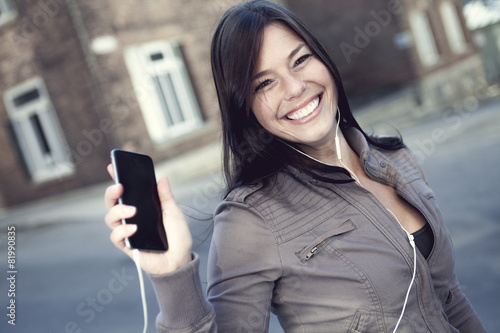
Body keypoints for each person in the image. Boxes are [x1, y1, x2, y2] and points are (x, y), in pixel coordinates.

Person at [104, 1, 487, 332]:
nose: (295, 88)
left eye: (301, 60)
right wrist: (172, 276)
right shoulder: (249, 219)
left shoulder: (395, 159)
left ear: (323, 58)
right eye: (264, 83)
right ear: (246, 108)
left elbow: (450, 299)